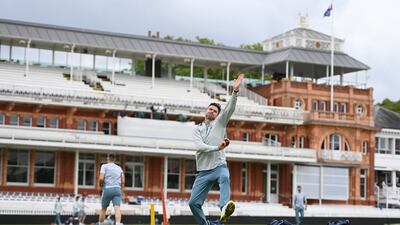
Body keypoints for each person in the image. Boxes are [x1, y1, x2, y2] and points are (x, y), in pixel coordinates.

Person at [189, 74, 244, 225]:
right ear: (206, 111)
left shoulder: (220, 123)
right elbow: (200, 147)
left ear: (218, 115)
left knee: (225, 177)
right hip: (203, 171)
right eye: (210, 109)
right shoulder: (196, 129)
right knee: (193, 203)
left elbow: (230, 108)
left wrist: (235, 91)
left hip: (219, 166)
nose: (212, 111)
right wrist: (217, 147)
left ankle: (224, 208)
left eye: (215, 111)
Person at [98, 153, 125, 225]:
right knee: (117, 208)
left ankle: (101, 223)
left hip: (108, 188)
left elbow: (101, 178)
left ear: (108, 159)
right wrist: (120, 189)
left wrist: (100, 185)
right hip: (117, 189)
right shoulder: (119, 168)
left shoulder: (104, 166)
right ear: (114, 160)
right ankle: (118, 223)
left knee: (103, 209)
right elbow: (123, 181)